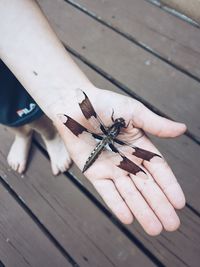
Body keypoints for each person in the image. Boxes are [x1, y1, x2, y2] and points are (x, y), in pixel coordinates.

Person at [0, 0, 187, 236]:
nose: (118, 125)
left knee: (15, 106)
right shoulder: (115, 137)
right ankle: (24, 133)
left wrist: (65, 94)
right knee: (7, 112)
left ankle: (48, 135)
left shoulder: (101, 129)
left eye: (118, 124)